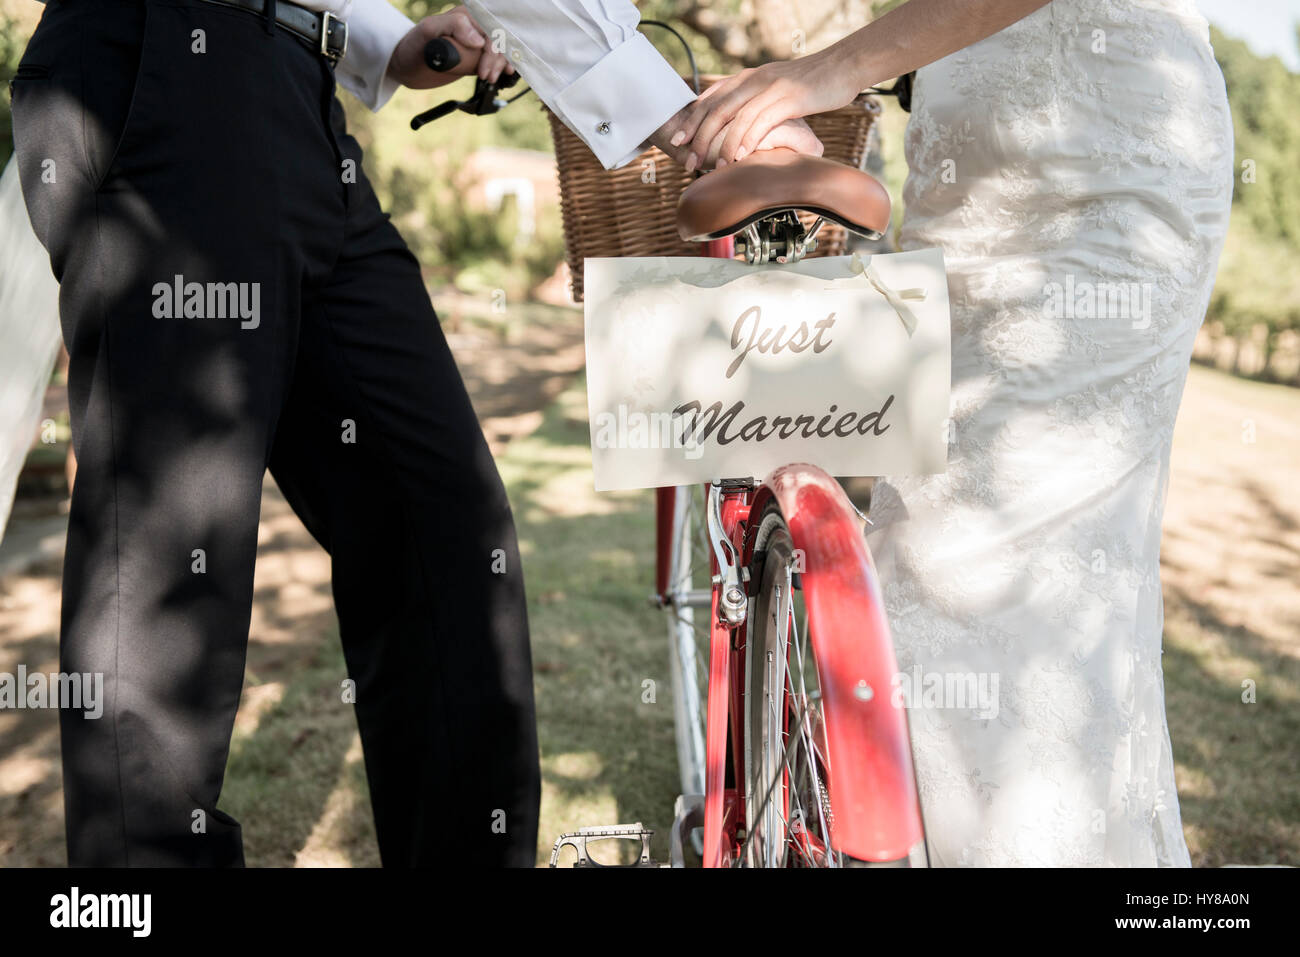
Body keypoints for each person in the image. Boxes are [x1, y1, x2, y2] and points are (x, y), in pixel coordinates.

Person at [8, 0, 821, 868]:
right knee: (173, 560)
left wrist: (380, 41)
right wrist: (678, 114)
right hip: (167, 71)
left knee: (443, 528)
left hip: (298, 96)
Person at [663, 0, 1234, 865]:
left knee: (1002, 568)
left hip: (1109, 151)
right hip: (963, 168)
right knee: (919, 550)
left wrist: (822, 73)